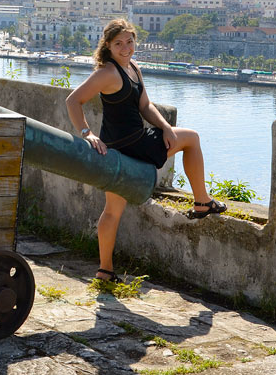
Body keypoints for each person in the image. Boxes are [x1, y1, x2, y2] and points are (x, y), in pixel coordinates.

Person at [65, 18, 225, 283]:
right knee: (193, 139)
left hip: (121, 146)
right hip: (132, 143)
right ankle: (202, 202)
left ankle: (105, 271)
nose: (126, 47)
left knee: (112, 211)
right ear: (108, 45)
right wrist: (87, 133)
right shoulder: (107, 72)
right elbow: (73, 100)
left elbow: (145, 105)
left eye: (130, 41)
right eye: (119, 43)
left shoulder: (133, 68)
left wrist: (165, 126)